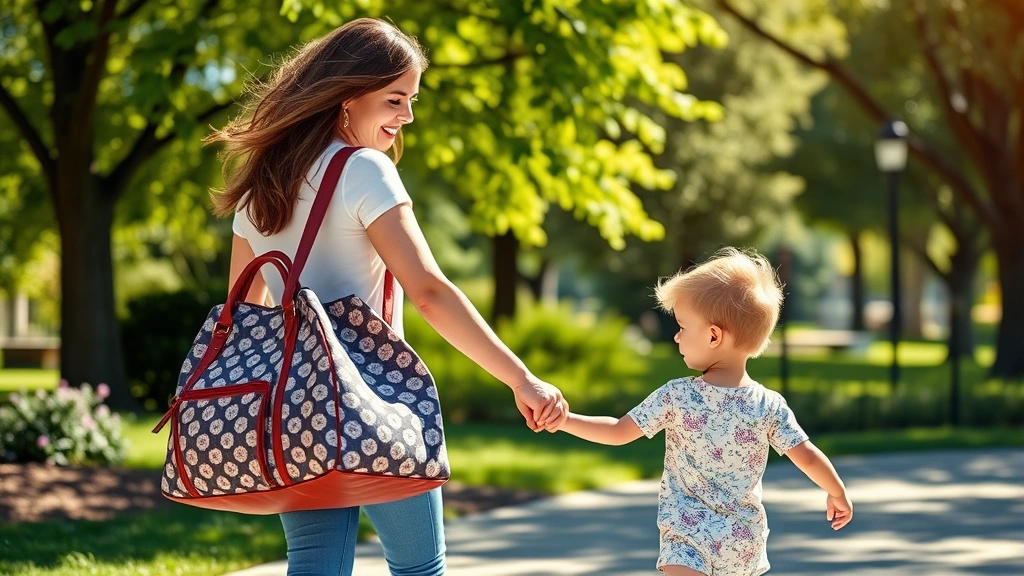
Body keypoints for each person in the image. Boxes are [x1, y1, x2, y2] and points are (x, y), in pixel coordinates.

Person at [206, 17, 567, 576]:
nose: (408, 117)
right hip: (376, 400)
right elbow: (428, 292)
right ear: (348, 99)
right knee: (419, 567)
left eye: (411, 100)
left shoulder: (261, 185)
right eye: (396, 100)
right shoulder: (364, 169)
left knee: (314, 563)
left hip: (297, 402)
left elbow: (245, 307)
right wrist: (521, 378)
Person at [556, 248, 852, 576]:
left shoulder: (677, 396)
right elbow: (807, 455)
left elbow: (617, 431)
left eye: (682, 326)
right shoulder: (769, 405)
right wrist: (836, 491)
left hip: (687, 539)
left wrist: (565, 420)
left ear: (713, 336)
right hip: (743, 543)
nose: (677, 336)